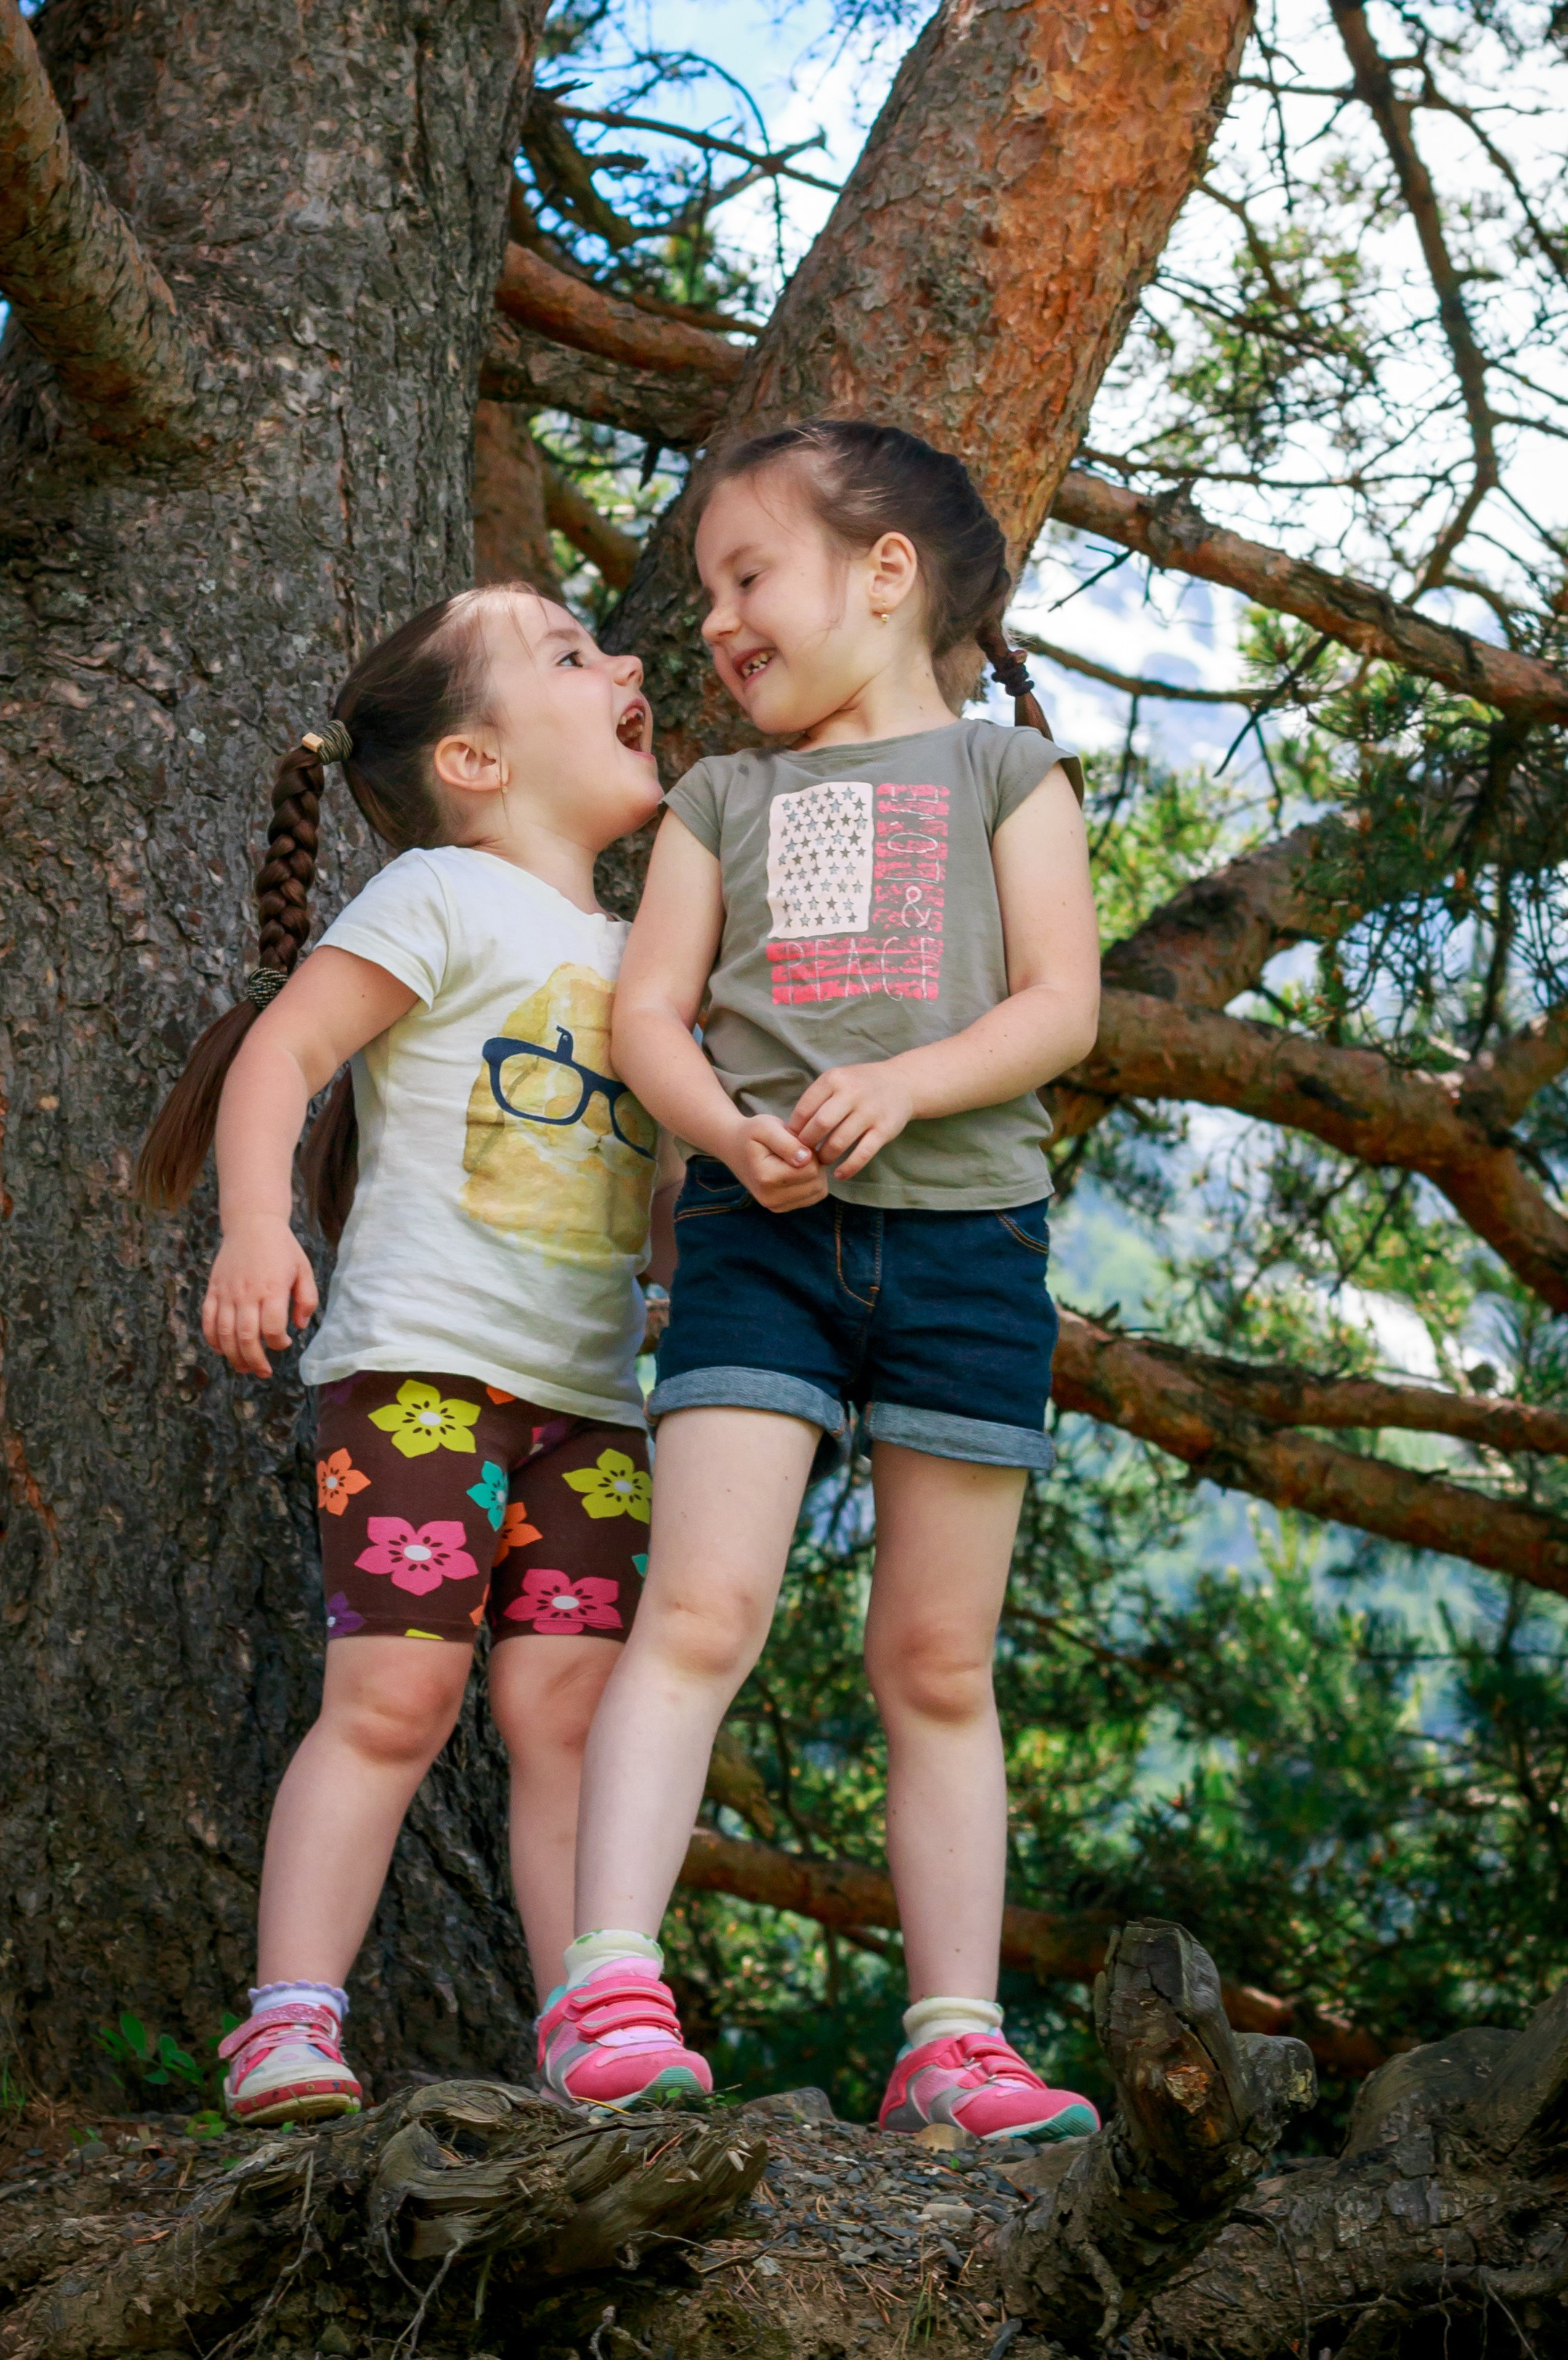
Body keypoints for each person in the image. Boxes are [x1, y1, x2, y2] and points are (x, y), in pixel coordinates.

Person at [549, 420, 1105, 2141]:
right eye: (708, 588)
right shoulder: (724, 798)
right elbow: (648, 1014)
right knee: (696, 1612)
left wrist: (909, 1084)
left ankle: (954, 2042)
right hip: (756, 1242)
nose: (717, 620)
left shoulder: (1011, 778)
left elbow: (1054, 1007)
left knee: (936, 1659)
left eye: (746, 577)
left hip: (968, 1249)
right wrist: (724, 1128)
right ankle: (608, 1989)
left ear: (883, 576)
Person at [135, 584, 673, 2123]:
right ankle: (289, 2022)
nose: (624, 665)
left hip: (593, 1406)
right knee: (391, 1702)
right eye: (571, 659)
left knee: (567, 1714)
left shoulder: (649, 950)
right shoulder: (440, 894)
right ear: (477, 762)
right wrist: (256, 1224)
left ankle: (594, 2016)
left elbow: (667, 1184)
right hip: (421, 1376)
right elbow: (283, 1053)